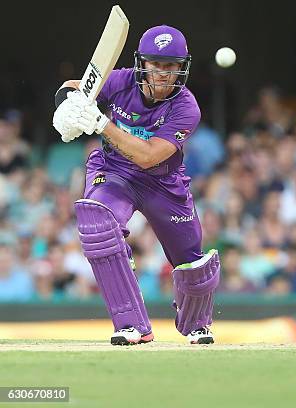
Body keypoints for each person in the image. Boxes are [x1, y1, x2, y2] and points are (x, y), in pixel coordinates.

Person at [52, 25, 220, 345]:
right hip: (115, 171)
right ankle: (130, 324)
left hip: (162, 181)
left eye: (170, 66)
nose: (162, 73)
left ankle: (198, 323)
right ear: (142, 63)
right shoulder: (120, 80)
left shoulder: (186, 107)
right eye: (156, 64)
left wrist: (101, 123)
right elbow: (74, 87)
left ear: (182, 67)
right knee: (98, 220)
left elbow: (148, 157)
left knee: (192, 261)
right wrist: (65, 107)